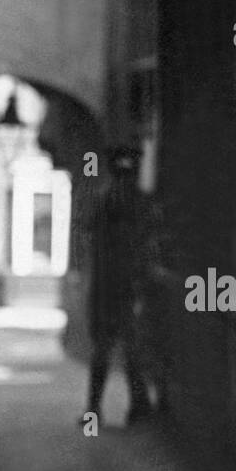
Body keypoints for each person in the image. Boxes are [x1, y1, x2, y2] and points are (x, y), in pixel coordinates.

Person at [83, 147, 154, 427]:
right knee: (130, 350)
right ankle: (137, 408)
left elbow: (91, 237)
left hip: (108, 287)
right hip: (125, 287)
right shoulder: (138, 202)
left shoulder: (105, 199)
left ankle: (96, 410)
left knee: (106, 350)